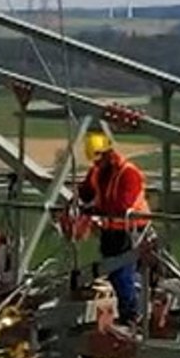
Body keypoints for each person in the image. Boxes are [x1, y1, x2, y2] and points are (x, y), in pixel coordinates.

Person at [74, 127, 150, 327]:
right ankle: (133, 305)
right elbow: (87, 191)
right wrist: (77, 197)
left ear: (109, 153)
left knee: (121, 272)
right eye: (94, 159)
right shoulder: (98, 171)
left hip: (130, 229)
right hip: (111, 230)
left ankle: (131, 315)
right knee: (116, 272)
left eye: (99, 157)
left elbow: (123, 205)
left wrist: (94, 211)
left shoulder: (128, 173)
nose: (96, 162)